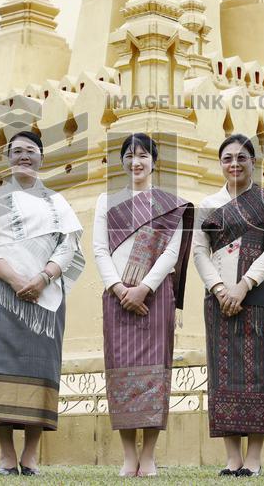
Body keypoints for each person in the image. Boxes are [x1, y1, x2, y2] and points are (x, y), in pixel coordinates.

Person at [0, 130, 86, 477]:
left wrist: (42, 278)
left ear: (41, 157)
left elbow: (68, 246)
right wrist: (17, 280)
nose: (23, 156)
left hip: (45, 299)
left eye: (30, 151)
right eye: (16, 151)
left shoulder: (57, 202)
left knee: (40, 372)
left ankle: (31, 455)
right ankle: (7, 455)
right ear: (7, 158)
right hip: (1, 293)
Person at [192, 133, 264, 477]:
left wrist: (243, 286)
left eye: (241, 158)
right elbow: (198, 252)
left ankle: (253, 459)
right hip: (219, 301)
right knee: (224, 377)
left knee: (260, 376)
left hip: (260, 297)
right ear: (220, 163)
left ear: (254, 162)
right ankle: (232, 458)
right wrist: (221, 289)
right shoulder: (207, 205)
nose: (234, 164)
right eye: (227, 158)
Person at [92, 133, 194, 477]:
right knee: (120, 374)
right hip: (116, 294)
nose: (136, 162)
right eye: (130, 155)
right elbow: (99, 250)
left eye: (143, 156)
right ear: (122, 161)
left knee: (155, 374)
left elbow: (171, 253)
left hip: (155, 296)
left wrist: (144, 288)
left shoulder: (170, 205)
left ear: (154, 161)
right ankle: (128, 456)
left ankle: (148, 455)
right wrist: (120, 288)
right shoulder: (106, 202)